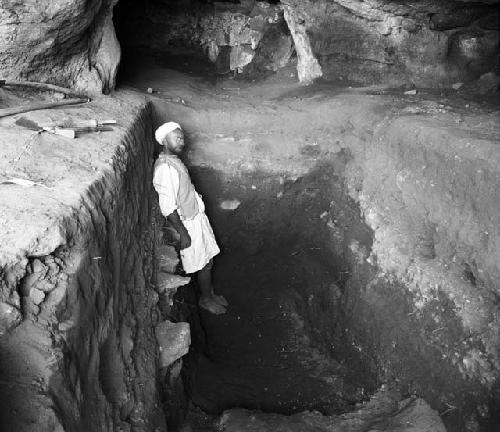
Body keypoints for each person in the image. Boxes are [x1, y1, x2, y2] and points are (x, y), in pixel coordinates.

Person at [153, 122, 228, 315]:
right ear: (164, 140)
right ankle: (205, 299)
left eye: (182, 137)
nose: (181, 141)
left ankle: (209, 293)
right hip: (188, 223)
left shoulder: (174, 161)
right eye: (176, 137)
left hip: (196, 217)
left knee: (208, 258)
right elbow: (167, 208)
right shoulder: (164, 169)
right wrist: (183, 233)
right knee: (203, 264)